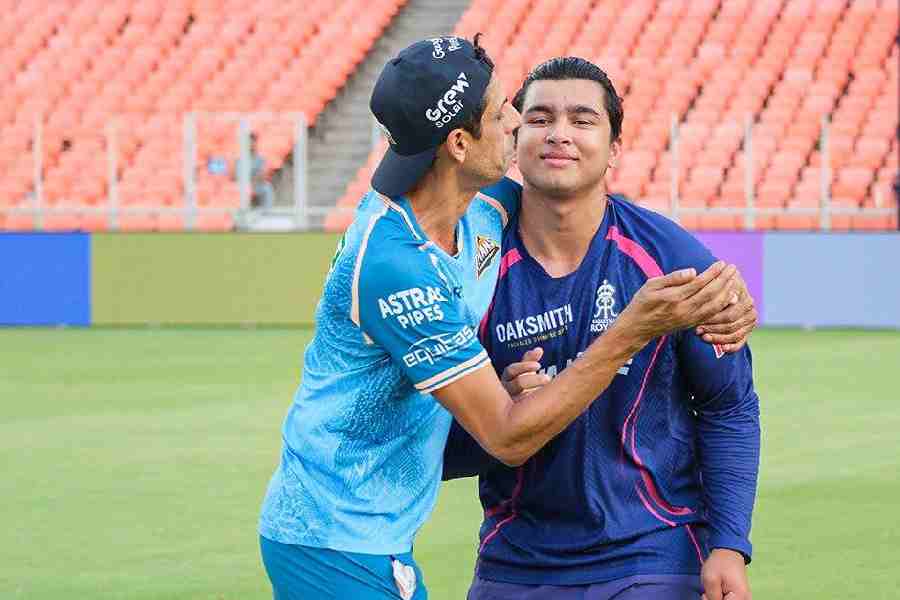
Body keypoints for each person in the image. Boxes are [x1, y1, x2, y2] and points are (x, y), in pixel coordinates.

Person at [258, 38, 751, 600]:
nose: (522, 124)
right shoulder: (397, 265)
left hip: (384, 534)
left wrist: (722, 284)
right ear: (461, 144)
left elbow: (567, 199)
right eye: (505, 113)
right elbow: (506, 437)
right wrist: (630, 330)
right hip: (331, 535)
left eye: (578, 120)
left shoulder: (484, 206)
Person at [442, 57, 761, 600]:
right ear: (513, 137)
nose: (559, 134)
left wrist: (729, 543)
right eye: (539, 118)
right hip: (514, 561)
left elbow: (729, 405)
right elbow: (428, 442)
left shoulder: (671, 258)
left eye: (583, 120)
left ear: (614, 148)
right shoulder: (466, 263)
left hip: (651, 553)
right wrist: (499, 413)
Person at [233, 132, 275, 209]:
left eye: (253, 142)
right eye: (250, 142)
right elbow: (238, 177)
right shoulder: (240, 160)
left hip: (256, 185)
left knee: (267, 188)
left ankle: (267, 212)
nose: (252, 144)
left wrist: (257, 178)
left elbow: (262, 174)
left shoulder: (260, 159)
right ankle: (243, 212)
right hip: (244, 185)